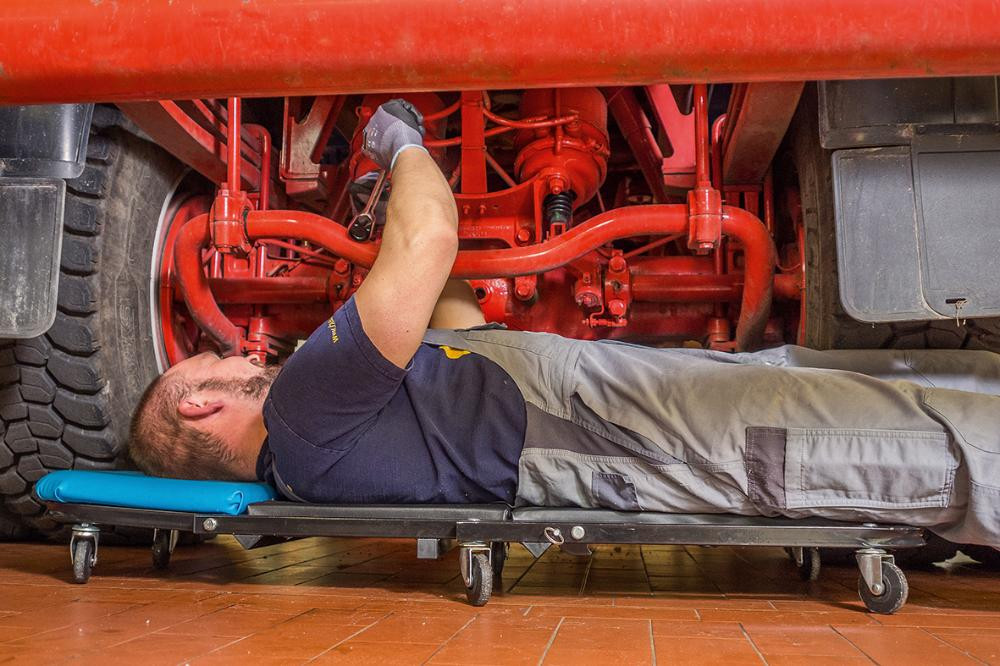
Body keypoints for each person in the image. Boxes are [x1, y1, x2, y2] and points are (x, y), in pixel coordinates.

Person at [130, 100, 1000, 549]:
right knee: (856, 440)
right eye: (201, 364)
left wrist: (389, 222)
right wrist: (402, 148)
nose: (220, 352)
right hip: (589, 428)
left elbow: (452, 320)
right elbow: (431, 243)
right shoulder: (299, 416)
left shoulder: (315, 442)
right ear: (200, 408)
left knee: (827, 390)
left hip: (576, 410)